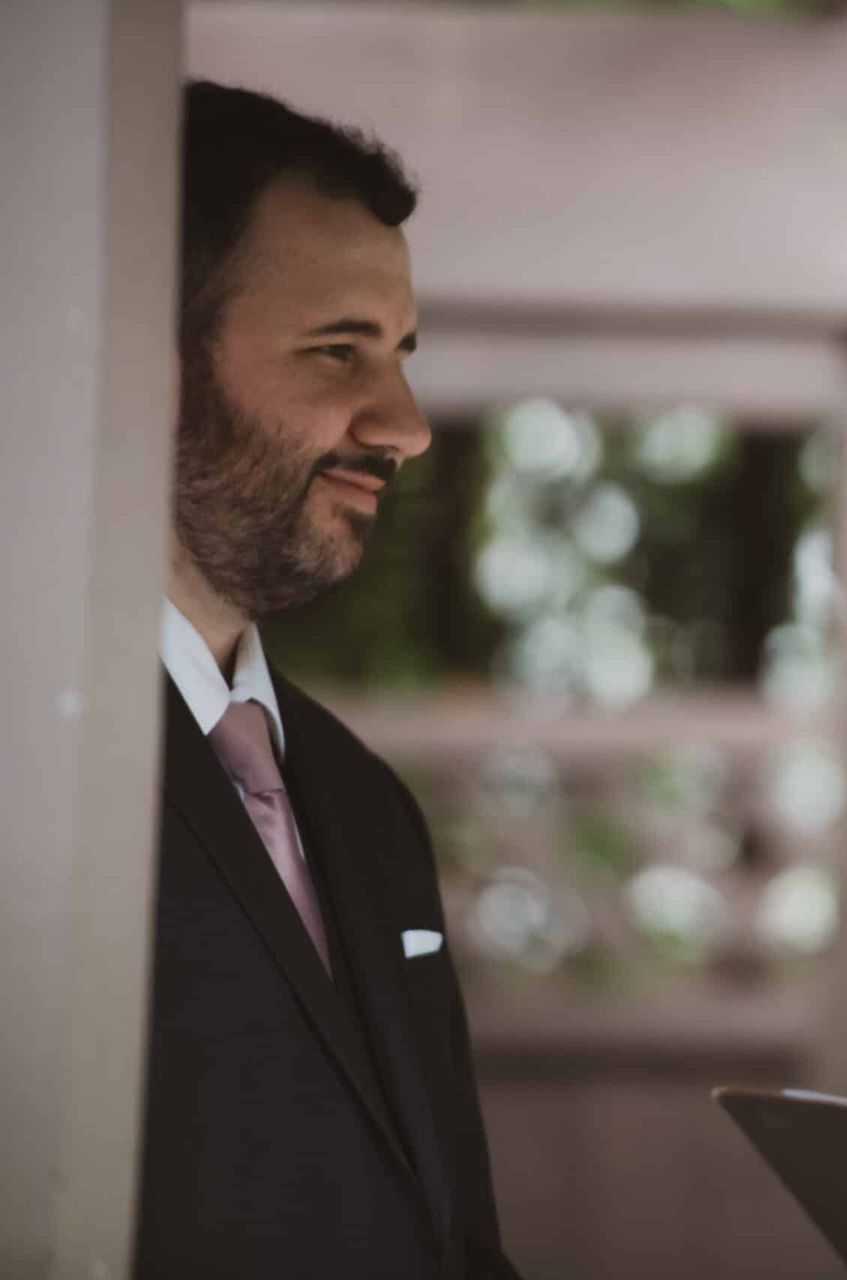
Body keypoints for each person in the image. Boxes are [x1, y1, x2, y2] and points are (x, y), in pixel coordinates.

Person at [138, 81, 520, 1278]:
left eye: (398, 353)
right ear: (145, 364)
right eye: (338, 348)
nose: (403, 422)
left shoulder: (365, 802)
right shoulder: (32, 763)